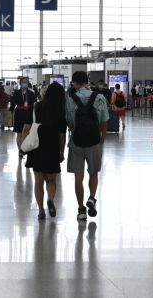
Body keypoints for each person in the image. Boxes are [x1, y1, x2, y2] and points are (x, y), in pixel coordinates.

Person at [66, 71, 109, 221]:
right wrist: (101, 139)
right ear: (87, 82)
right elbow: (104, 121)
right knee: (93, 172)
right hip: (94, 141)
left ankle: (81, 210)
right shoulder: (100, 98)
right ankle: (91, 198)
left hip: (76, 142)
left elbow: (69, 123)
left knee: (79, 176)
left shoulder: (71, 100)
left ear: (75, 83)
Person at [26, 82, 67, 220]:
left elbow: (28, 126)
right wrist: (61, 152)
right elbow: (62, 135)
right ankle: (50, 199)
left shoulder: (37, 106)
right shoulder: (61, 110)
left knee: (38, 181)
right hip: (52, 147)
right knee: (51, 180)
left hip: (37, 146)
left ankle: (41, 211)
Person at [11, 79, 37, 156]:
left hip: (28, 114)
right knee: (19, 133)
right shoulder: (16, 93)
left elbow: (34, 104)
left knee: (27, 133)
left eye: (25, 83)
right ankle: (20, 150)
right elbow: (12, 104)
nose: (24, 84)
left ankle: (26, 149)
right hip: (18, 114)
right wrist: (10, 112)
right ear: (20, 84)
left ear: (27, 83)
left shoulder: (31, 93)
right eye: (23, 83)